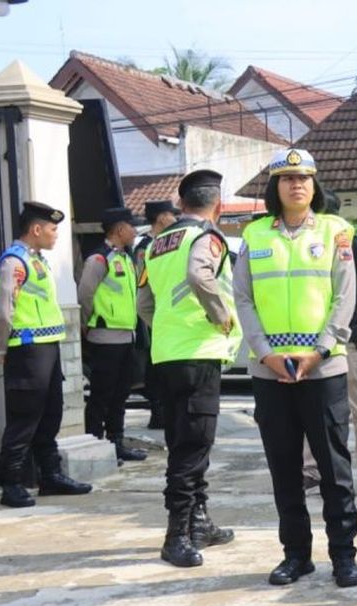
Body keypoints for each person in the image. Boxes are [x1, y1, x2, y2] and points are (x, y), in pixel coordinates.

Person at [233, 148, 357, 588]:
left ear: (314, 184)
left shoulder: (336, 231)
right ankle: (296, 555)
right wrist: (264, 351)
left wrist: (323, 349)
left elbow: (345, 297)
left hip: (322, 370)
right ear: (275, 187)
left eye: (304, 178)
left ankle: (344, 556)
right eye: (287, 178)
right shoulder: (253, 236)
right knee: (284, 469)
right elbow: (244, 299)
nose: (296, 185)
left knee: (334, 470)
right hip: (270, 370)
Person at [137, 170, 240, 568]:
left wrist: (166, 329)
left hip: (167, 354)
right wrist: (222, 317)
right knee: (192, 448)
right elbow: (200, 276)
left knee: (185, 441)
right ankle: (176, 535)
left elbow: (144, 304)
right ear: (219, 206)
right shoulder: (207, 238)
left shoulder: (157, 243)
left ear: (181, 205)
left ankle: (200, 522)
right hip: (199, 352)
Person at [0, 201, 93, 508]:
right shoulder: (14, 261)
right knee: (25, 418)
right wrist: (0, 348)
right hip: (26, 350)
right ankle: (11, 483)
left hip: (47, 348)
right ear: (36, 229)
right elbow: (3, 311)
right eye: (52, 229)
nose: (56, 235)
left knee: (51, 414)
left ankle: (50, 476)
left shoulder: (37, 260)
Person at [302, 191, 357, 499]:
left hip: (348, 342)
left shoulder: (351, 243)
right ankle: (310, 472)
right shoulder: (307, 244)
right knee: (313, 409)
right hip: (313, 342)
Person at [78, 206, 147, 462]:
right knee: (102, 395)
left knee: (120, 395)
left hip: (125, 337)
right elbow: (85, 295)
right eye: (132, 226)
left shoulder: (125, 258)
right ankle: (95, 444)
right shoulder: (99, 259)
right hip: (105, 338)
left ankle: (116, 442)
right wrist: (86, 324)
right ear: (119, 229)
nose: (135, 231)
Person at [133, 199, 180, 430]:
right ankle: (158, 412)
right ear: (162, 218)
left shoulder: (168, 242)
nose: (175, 219)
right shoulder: (145, 247)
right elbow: (144, 286)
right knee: (155, 370)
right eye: (172, 215)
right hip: (153, 317)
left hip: (166, 316)